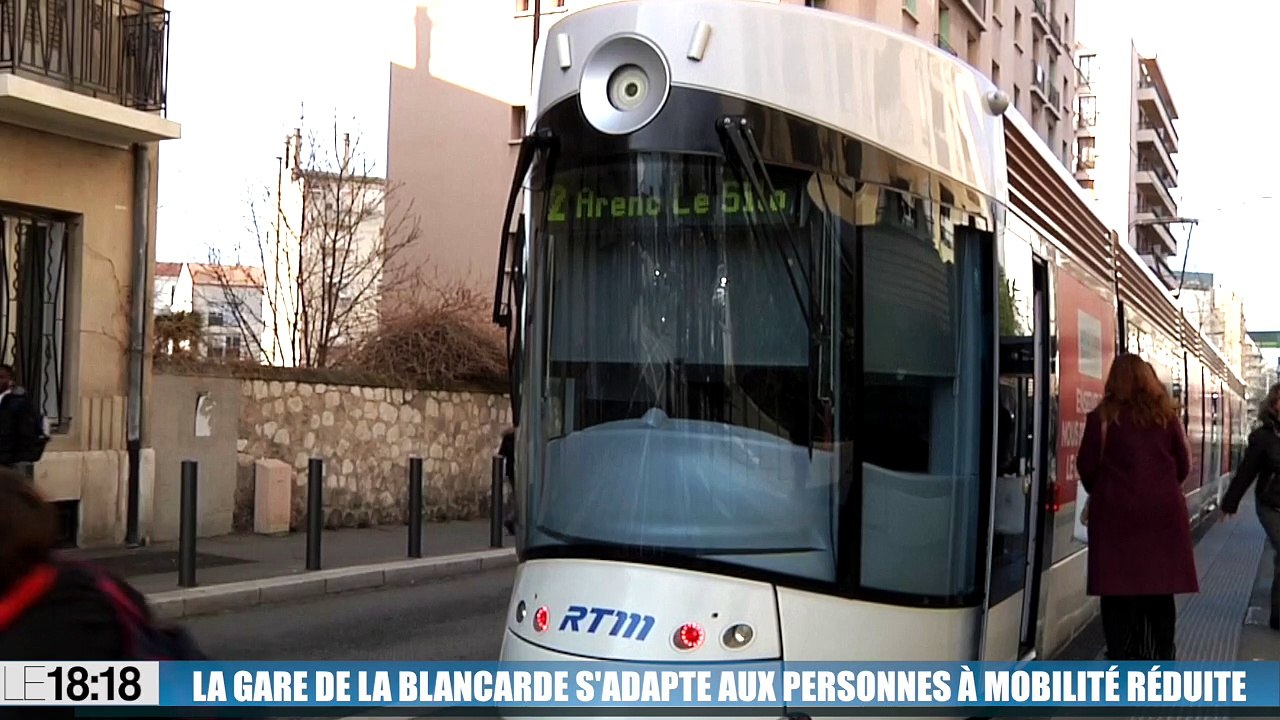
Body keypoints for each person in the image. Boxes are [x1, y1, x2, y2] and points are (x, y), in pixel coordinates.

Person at [1076, 354, 1198, 660]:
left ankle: (1122, 655)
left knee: (1117, 591)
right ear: (1148, 380)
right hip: (1163, 517)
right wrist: (1160, 490)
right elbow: (1183, 465)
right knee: (1160, 590)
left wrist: (1106, 492)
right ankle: (1161, 653)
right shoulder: (1166, 418)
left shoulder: (1100, 418)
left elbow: (1087, 467)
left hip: (1116, 517)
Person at [1221, 382, 1280, 631]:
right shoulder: (1263, 437)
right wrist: (1230, 503)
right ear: (1273, 406)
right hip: (1270, 505)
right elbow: (1247, 472)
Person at [0, 364, 48, 469]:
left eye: (2, 377)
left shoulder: (18, 401)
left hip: (11, 460)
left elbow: (26, 432)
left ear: (10, 380)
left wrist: (18, 458)